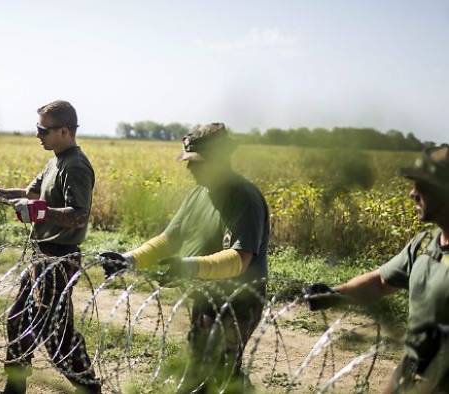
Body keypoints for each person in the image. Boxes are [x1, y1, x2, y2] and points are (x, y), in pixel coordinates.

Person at [100, 123, 269, 393]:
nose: (190, 168)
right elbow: (170, 239)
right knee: (208, 372)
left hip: (238, 301)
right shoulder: (198, 194)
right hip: (206, 294)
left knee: (213, 374)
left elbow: (240, 259)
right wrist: (129, 259)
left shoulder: (243, 197)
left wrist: (188, 267)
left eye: (197, 162)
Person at [0, 100, 100, 394]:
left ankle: (89, 388)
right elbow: (30, 195)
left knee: (55, 336)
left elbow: (78, 215)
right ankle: (16, 386)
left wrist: (42, 212)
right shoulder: (55, 160)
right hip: (42, 256)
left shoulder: (76, 166)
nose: (37, 135)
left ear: (64, 131)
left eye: (43, 129)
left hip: (59, 260)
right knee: (18, 318)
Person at [304, 144, 449, 393]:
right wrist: (335, 295)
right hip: (411, 369)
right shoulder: (424, 244)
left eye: (422, 186)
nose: (412, 194)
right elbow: (381, 282)